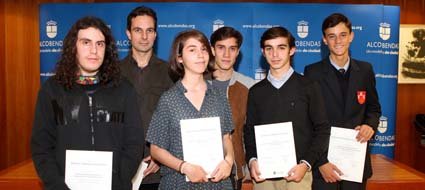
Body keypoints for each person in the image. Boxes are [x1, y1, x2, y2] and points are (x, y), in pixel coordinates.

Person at [31, 16, 143, 190]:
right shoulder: (51, 91)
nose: (94, 50)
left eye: (100, 44)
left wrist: (118, 181)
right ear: (73, 47)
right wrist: (58, 186)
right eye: (86, 42)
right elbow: (41, 147)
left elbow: (134, 143)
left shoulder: (123, 89)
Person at [244, 26, 330, 190]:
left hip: (298, 175)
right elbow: (249, 131)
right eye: (269, 48)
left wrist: (306, 164)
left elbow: (322, 129)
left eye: (281, 48)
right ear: (263, 52)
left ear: (292, 50)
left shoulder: (309, 86)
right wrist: (252, 159)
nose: (275, 54)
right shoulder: (256, 91)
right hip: (264, 176)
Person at [146, 29, 234, 189]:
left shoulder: (219, 96)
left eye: (203, 49)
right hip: (178, 182)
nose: (200, 55)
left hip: (217, 183)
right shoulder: (168, 99)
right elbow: (156, 149)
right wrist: (184, 167)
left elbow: (226, 137)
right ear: (179, 58)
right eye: (192, 50)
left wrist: (229, 161)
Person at [304, 13, 381, 190]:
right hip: (324, 165)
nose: (338, 41)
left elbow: (374, 108)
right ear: (324, 40)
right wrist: (320, 162)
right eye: (332, 36)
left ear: (351, 36)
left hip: (356, 160)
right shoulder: (312, 73)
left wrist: (370, 125)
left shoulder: (366, 70)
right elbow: (307, 121)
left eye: (343, 35)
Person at [120, 6, 174, 189]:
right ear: (128, 34)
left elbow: (176, 120)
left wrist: (161, 155)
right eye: (138, 30)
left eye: (149, 30)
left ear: (155, 34)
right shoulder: (112, 73)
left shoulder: (171, 73)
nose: (144, 37)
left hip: (158, 171)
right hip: (120, 168)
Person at [210, 26, 255, 190]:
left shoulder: (249, 87)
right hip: (199, 171)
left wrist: (246, 169)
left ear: (238, 52)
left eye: (232, 49)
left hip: (234, 173)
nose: (227, 55)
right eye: (221, 48)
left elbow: (251, 132)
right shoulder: (197, 84)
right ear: (212, 49)